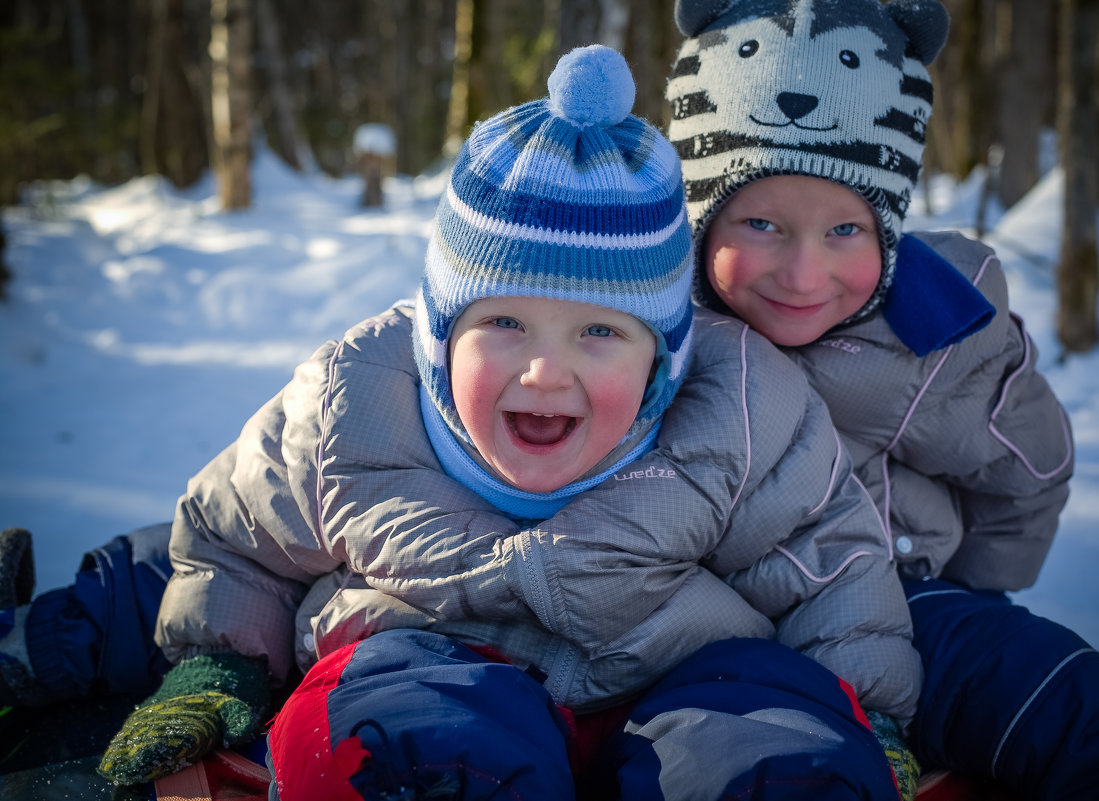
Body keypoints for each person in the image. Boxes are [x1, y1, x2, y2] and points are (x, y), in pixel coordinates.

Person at [65, 45, 922, 800]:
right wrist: (220, 662)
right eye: (504, 323)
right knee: (395, 716)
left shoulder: (739, 413)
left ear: (661, 361)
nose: (546, 371)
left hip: (679, 683)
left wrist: (866, 713)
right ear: (439, 335)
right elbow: (233, 534)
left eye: (600, 332)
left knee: (767, 722)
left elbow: (834, 572)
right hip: (423, 656)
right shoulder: (357, 404)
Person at [664, 0, 1099, 798]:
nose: (804, 275)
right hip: (709, 624)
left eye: (845, 230)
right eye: (763, 223)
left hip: (911, 602)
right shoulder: (644, 319)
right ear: (703, 218)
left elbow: (1030, 467)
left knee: (1074, 705)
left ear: (887, 227)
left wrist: (974, 589)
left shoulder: (931, 331)